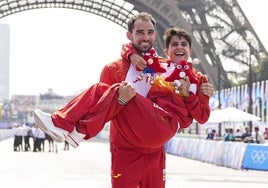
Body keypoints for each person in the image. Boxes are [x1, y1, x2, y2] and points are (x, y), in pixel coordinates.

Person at [34, 12, 214, 188]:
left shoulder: (164, 66)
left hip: (156, 139)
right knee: (109, 91)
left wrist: (192, 93)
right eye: (140, 32)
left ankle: (72, 129)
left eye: (150, 32)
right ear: (130, 35)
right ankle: (70, 128)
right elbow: (102, 108)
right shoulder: (114, 69)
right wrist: (122, 96)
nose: (146, 37)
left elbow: (201, 115)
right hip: (126, 148)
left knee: (114, 90)